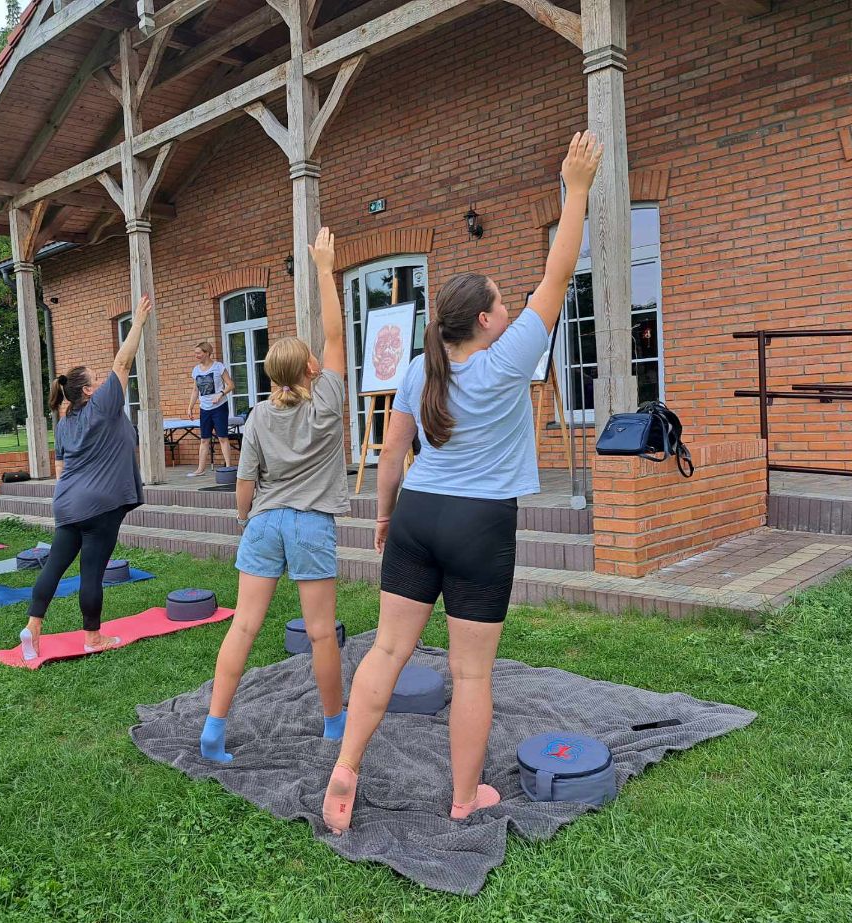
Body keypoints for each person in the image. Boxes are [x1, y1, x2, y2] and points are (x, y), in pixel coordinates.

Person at [322, 133, 604, 833]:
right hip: (479, 524)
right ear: (482, 320)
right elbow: (561, 271)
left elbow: (391, 454)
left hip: (418, 513)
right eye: (503, 305)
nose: (511, 311)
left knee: (387, 649)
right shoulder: (505, 360)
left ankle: (345, 768)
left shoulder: (420, 371)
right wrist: (576, 190)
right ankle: (463, 796)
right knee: (472, 674)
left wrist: (384, 517)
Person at [198, 227, 348, 762]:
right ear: (311, 369)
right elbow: (335, 336)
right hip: (310, 525)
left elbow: (244, 481)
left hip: (264, 522)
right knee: (321, 634)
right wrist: (325, 269)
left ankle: (213, 729)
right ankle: (335, 728)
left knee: (243, 624)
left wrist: (245, 519)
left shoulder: (259, 413)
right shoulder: (326, 404)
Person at [17, 295, 151, 660]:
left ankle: (33, 627)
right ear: (90, 391)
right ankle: (92, 637)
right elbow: (123, 362)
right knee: (92, 571)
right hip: (100, 505)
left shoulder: (65, 422)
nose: (103, 379)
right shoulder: (103, 407)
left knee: (56, 565)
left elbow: (61, 468)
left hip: (68, 502)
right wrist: (137, 323)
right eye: (97, 378)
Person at [185, 341, 235, 477]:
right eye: (195, 353)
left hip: (219, 407)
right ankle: (200, 469)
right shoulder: (195, 370)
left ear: (207, 353)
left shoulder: (218, 367)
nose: (196, 355)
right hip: (204, 408)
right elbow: (195, 390)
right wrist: (190, 407)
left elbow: (230, 385)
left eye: (198, 353)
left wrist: (221, 394)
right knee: (204, 439)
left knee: (222, 437)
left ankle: (229, 468)